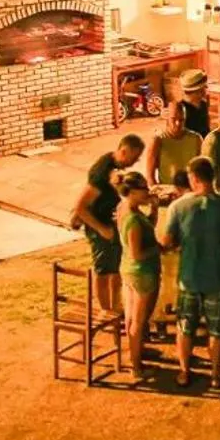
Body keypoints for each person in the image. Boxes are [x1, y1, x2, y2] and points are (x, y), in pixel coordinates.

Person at [160, 156, 220, 388]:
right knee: (217, 331)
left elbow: (167, 241)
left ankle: (184, 372)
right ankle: (216, 374)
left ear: (193, 178)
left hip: (189, 278)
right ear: (213, 177)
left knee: (185, 327)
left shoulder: (178, 207)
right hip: (219, 279)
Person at [70, 132, 145, 313]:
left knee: (116, 267)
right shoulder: (101, 173)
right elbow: (80, 207)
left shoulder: (114, 167)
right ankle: (106, 311)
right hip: (99, 227)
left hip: (110, 225)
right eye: (134, 157)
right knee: (103, 271)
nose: (136, 162)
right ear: (124, 151)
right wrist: (102, 229)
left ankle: (115, 307)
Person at [115, 170, 162, 381]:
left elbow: (148, 226)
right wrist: (160, 249)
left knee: (131, 319)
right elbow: (138, 253)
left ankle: (136, 356)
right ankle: (136, 366)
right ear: (132, 191)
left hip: (127, 269)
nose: (147, 191)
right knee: (138, 321)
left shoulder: (125, 208)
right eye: (143, 189)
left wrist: (154, 209)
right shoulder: (133, 219)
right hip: (141, 273)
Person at [146, 100, 199, 191]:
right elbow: (150, 177)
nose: (178, 123)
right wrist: (159, 192)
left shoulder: (196, 139)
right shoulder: (158, 140)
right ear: (167, 118)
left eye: (181, 120)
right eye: (173, 119)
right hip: (168, 191)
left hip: (190, 190)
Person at [176, 68, 213, 137]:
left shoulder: (203, 104)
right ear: (195, 92)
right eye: (202, 89)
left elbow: (206, 129)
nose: (205, 92)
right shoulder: (180, 110)